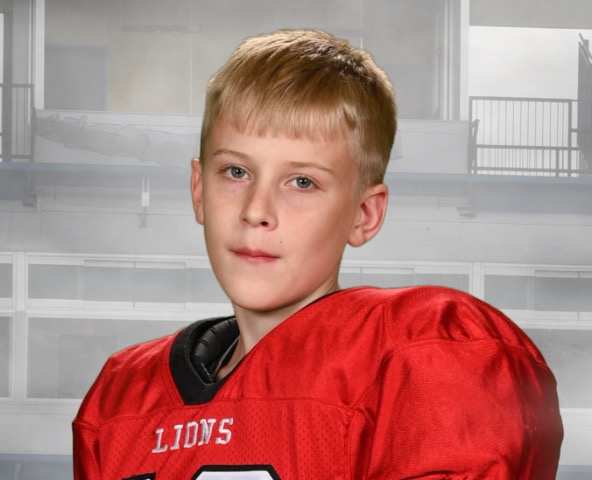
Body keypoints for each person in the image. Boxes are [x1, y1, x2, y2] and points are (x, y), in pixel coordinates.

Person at [72, 29, 563, 479]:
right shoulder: (120, 400)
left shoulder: (417, 363)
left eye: (302, 182)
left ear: (364, 214)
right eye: (236, 172)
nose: (256, 211)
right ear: (198, 190)